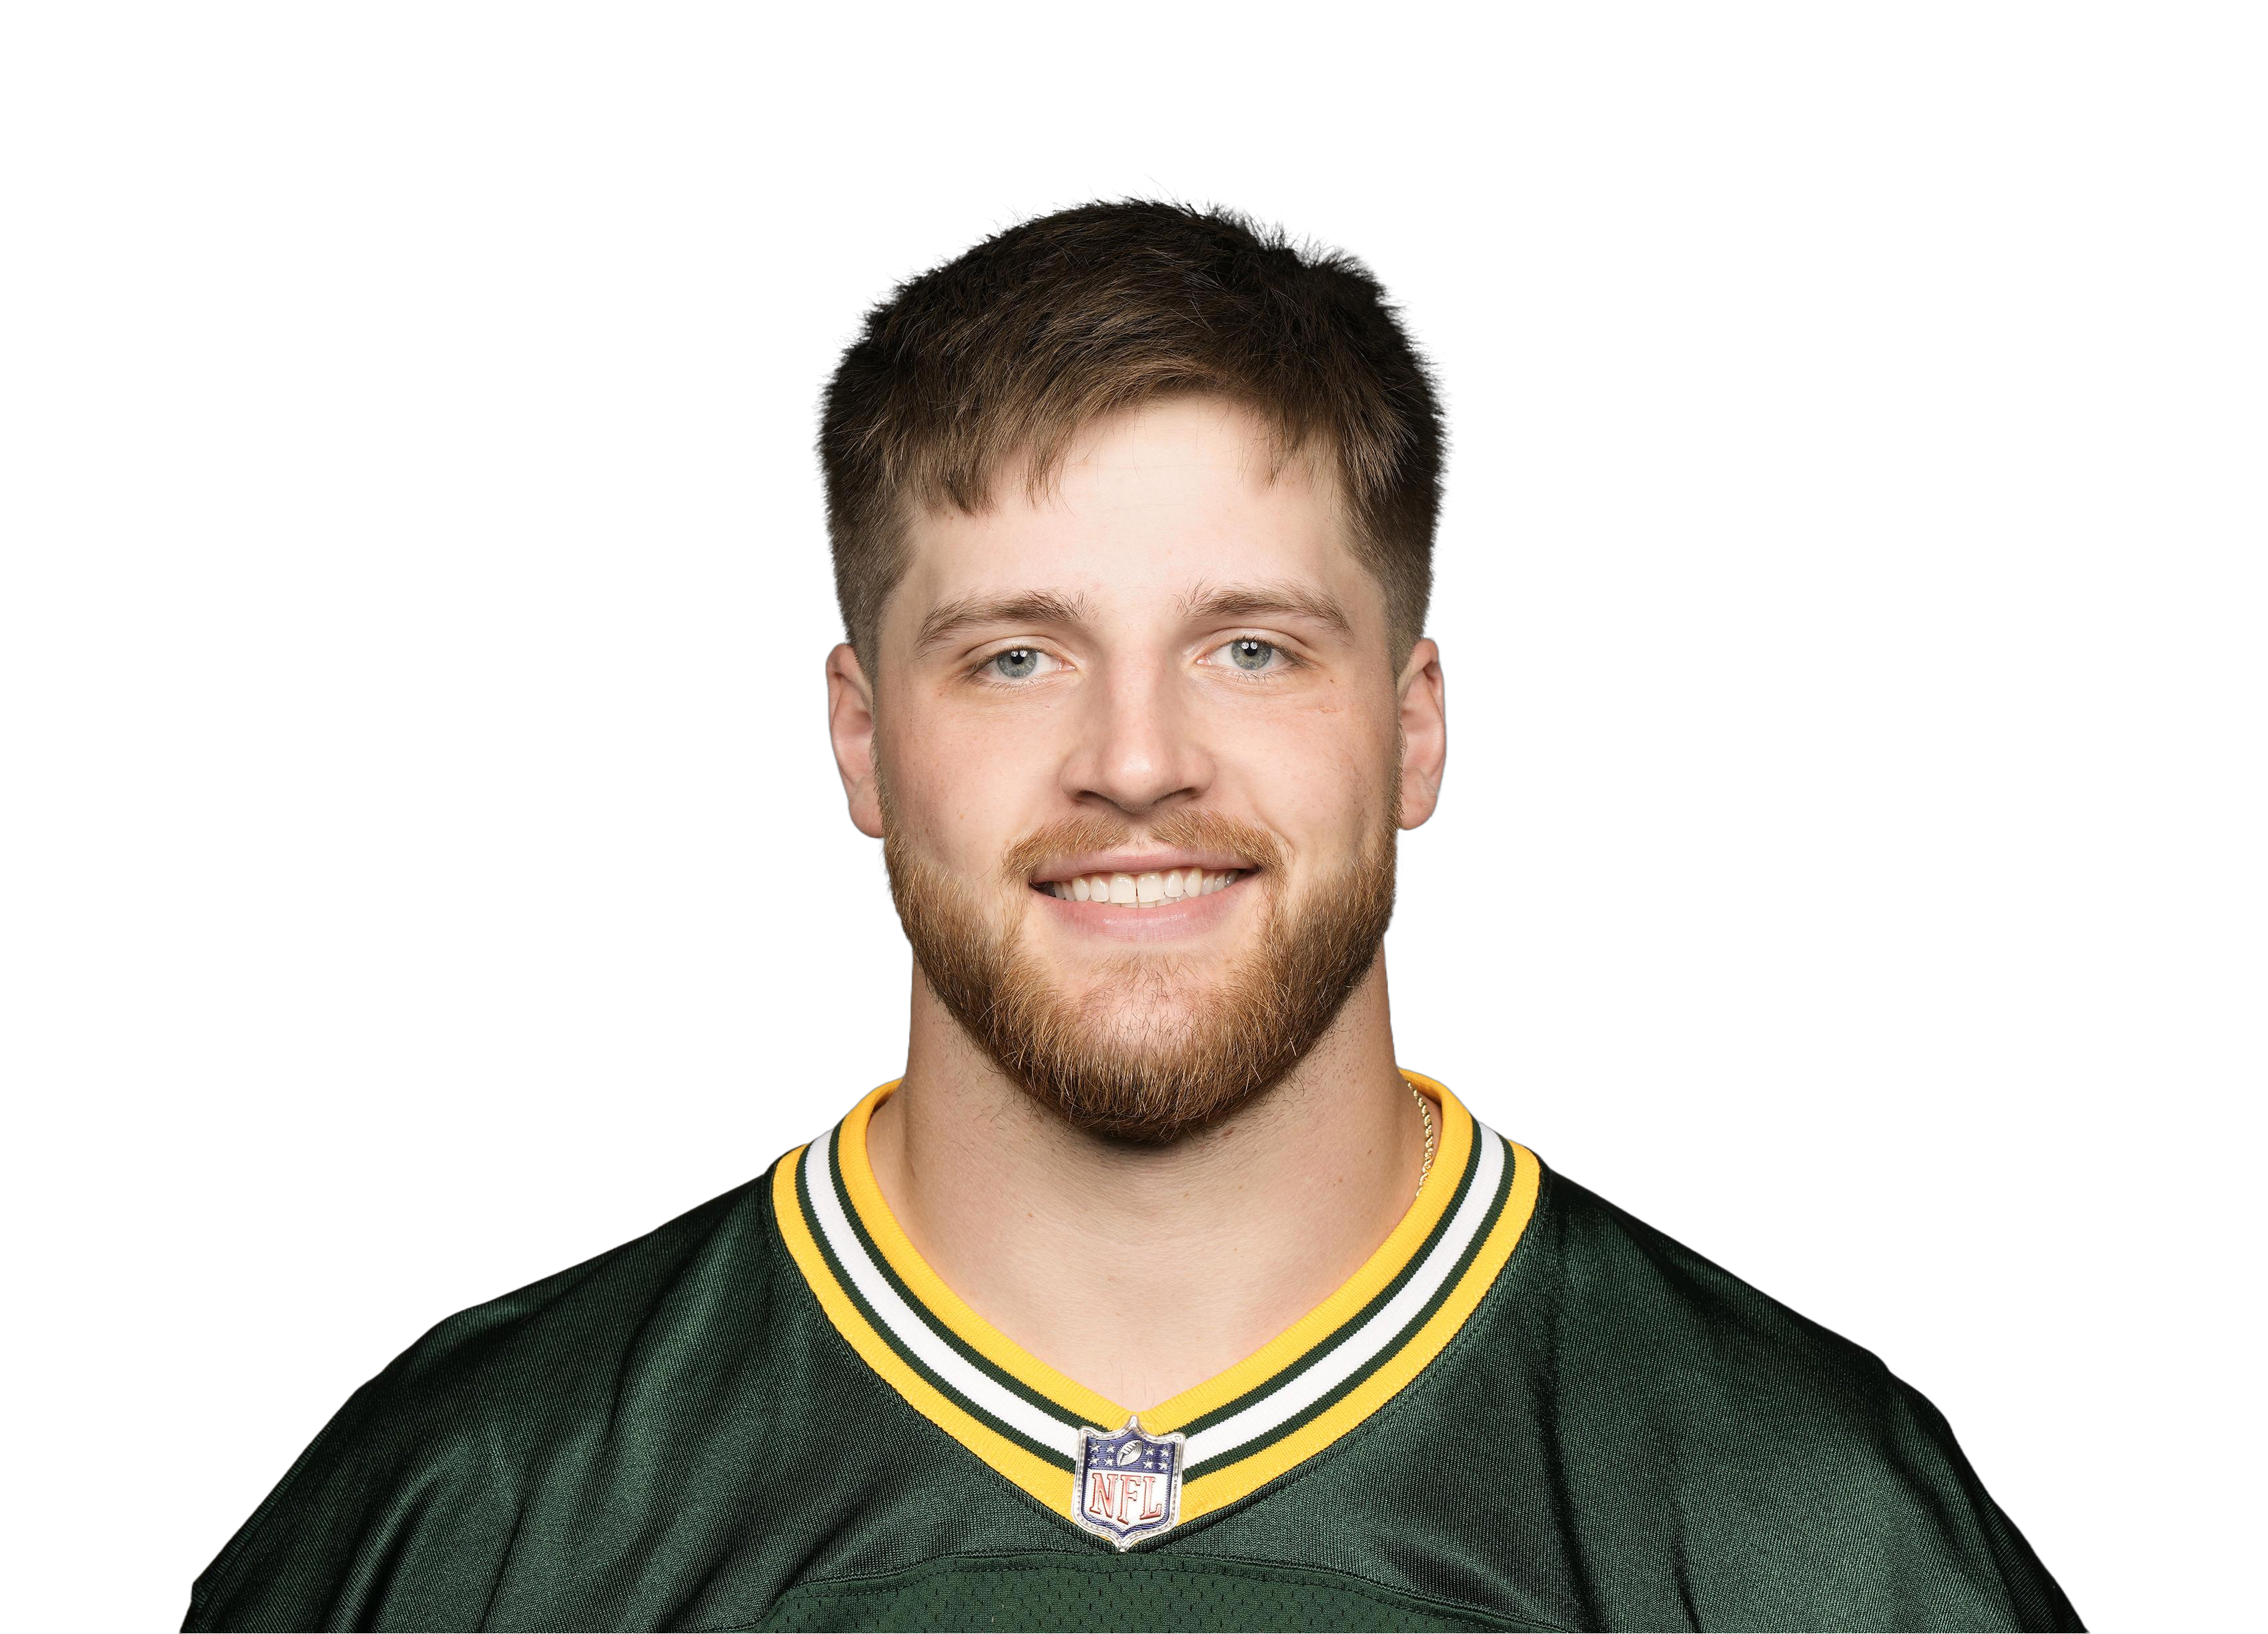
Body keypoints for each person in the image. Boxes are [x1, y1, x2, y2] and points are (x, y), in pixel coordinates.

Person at [187, 201, 2080, 1633]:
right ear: (862, 740)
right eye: (1015, 656)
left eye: (1252, 647)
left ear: (1413, 727)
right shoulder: (478, 1513)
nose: (1138, 763)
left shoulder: (1805, 1526)